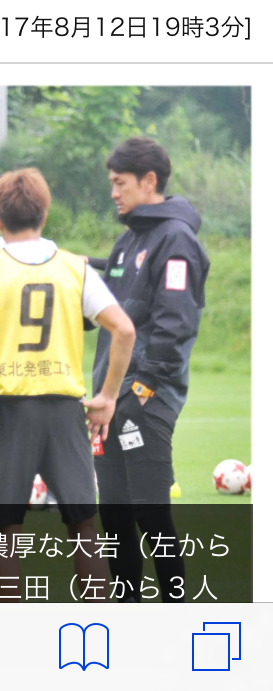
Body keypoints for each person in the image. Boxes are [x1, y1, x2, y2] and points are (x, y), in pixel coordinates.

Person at [0, 168, 135, 602]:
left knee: (5, 530)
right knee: (83, 525)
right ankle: (99, 626)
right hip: (64, 410)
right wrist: (107, 397)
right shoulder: (75, 267)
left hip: (7, 410)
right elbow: (124, 330)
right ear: (45, 214)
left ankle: (9, 633)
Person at [91, 137, 210, 602]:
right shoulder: (129, 240)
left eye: (120, 183)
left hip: (145, 396)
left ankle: (175, 610)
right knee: (115, 515)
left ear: (149, 181)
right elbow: (113, 293)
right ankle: (127, 610)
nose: (114, 192)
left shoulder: (176, 239)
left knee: (151, 513)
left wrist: (143, 386)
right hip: (109, 397)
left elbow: (176, 321)